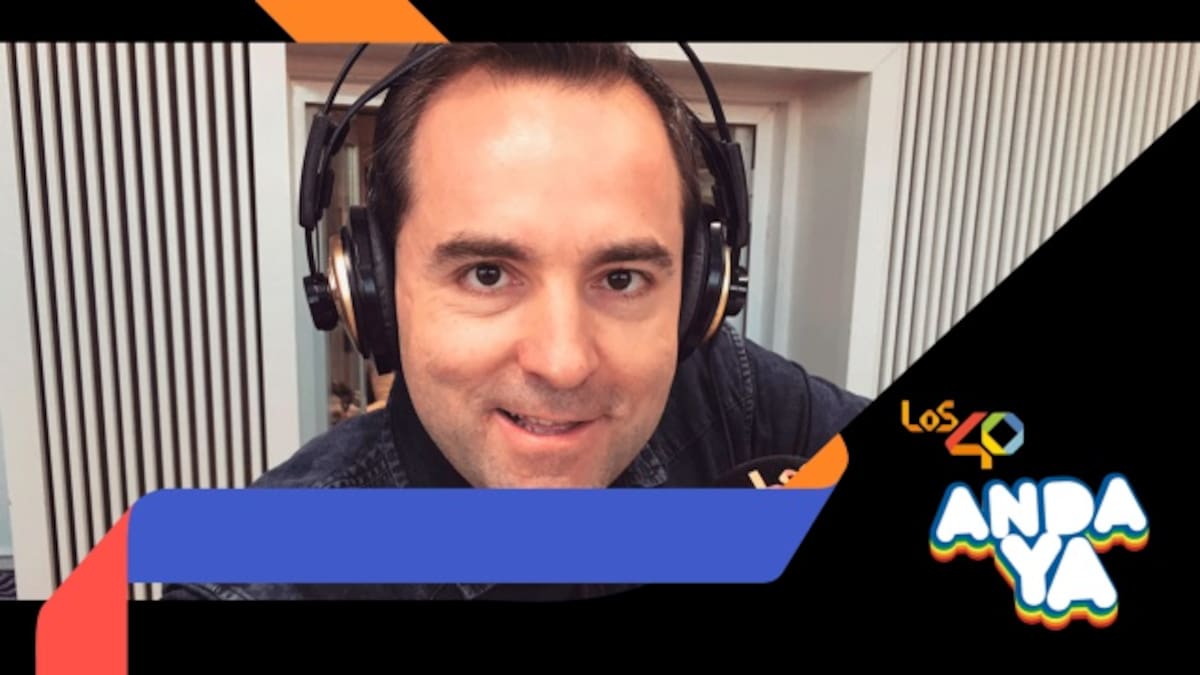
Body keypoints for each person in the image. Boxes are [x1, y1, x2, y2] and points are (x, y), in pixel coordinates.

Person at [162, 42, 869, 602]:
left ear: (699, 297)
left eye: (621, 278)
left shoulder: (723, 394)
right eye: (487, 274)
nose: (563, 362)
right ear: (370, 289)